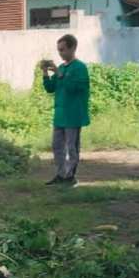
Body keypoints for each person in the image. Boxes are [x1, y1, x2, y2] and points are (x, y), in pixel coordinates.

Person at [40, 34, 90, 186]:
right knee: (57, 147)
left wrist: (59, 74)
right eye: (58, 50)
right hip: (60, 115)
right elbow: (50, 88)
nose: (60, 53)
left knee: (71, 148)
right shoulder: (61, 68)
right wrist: (45, 72)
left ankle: (70, 177)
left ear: (72, 48)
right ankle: (61, 174)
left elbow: (76, 88)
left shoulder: (80, 67)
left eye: (62, 50)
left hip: (73, 115)